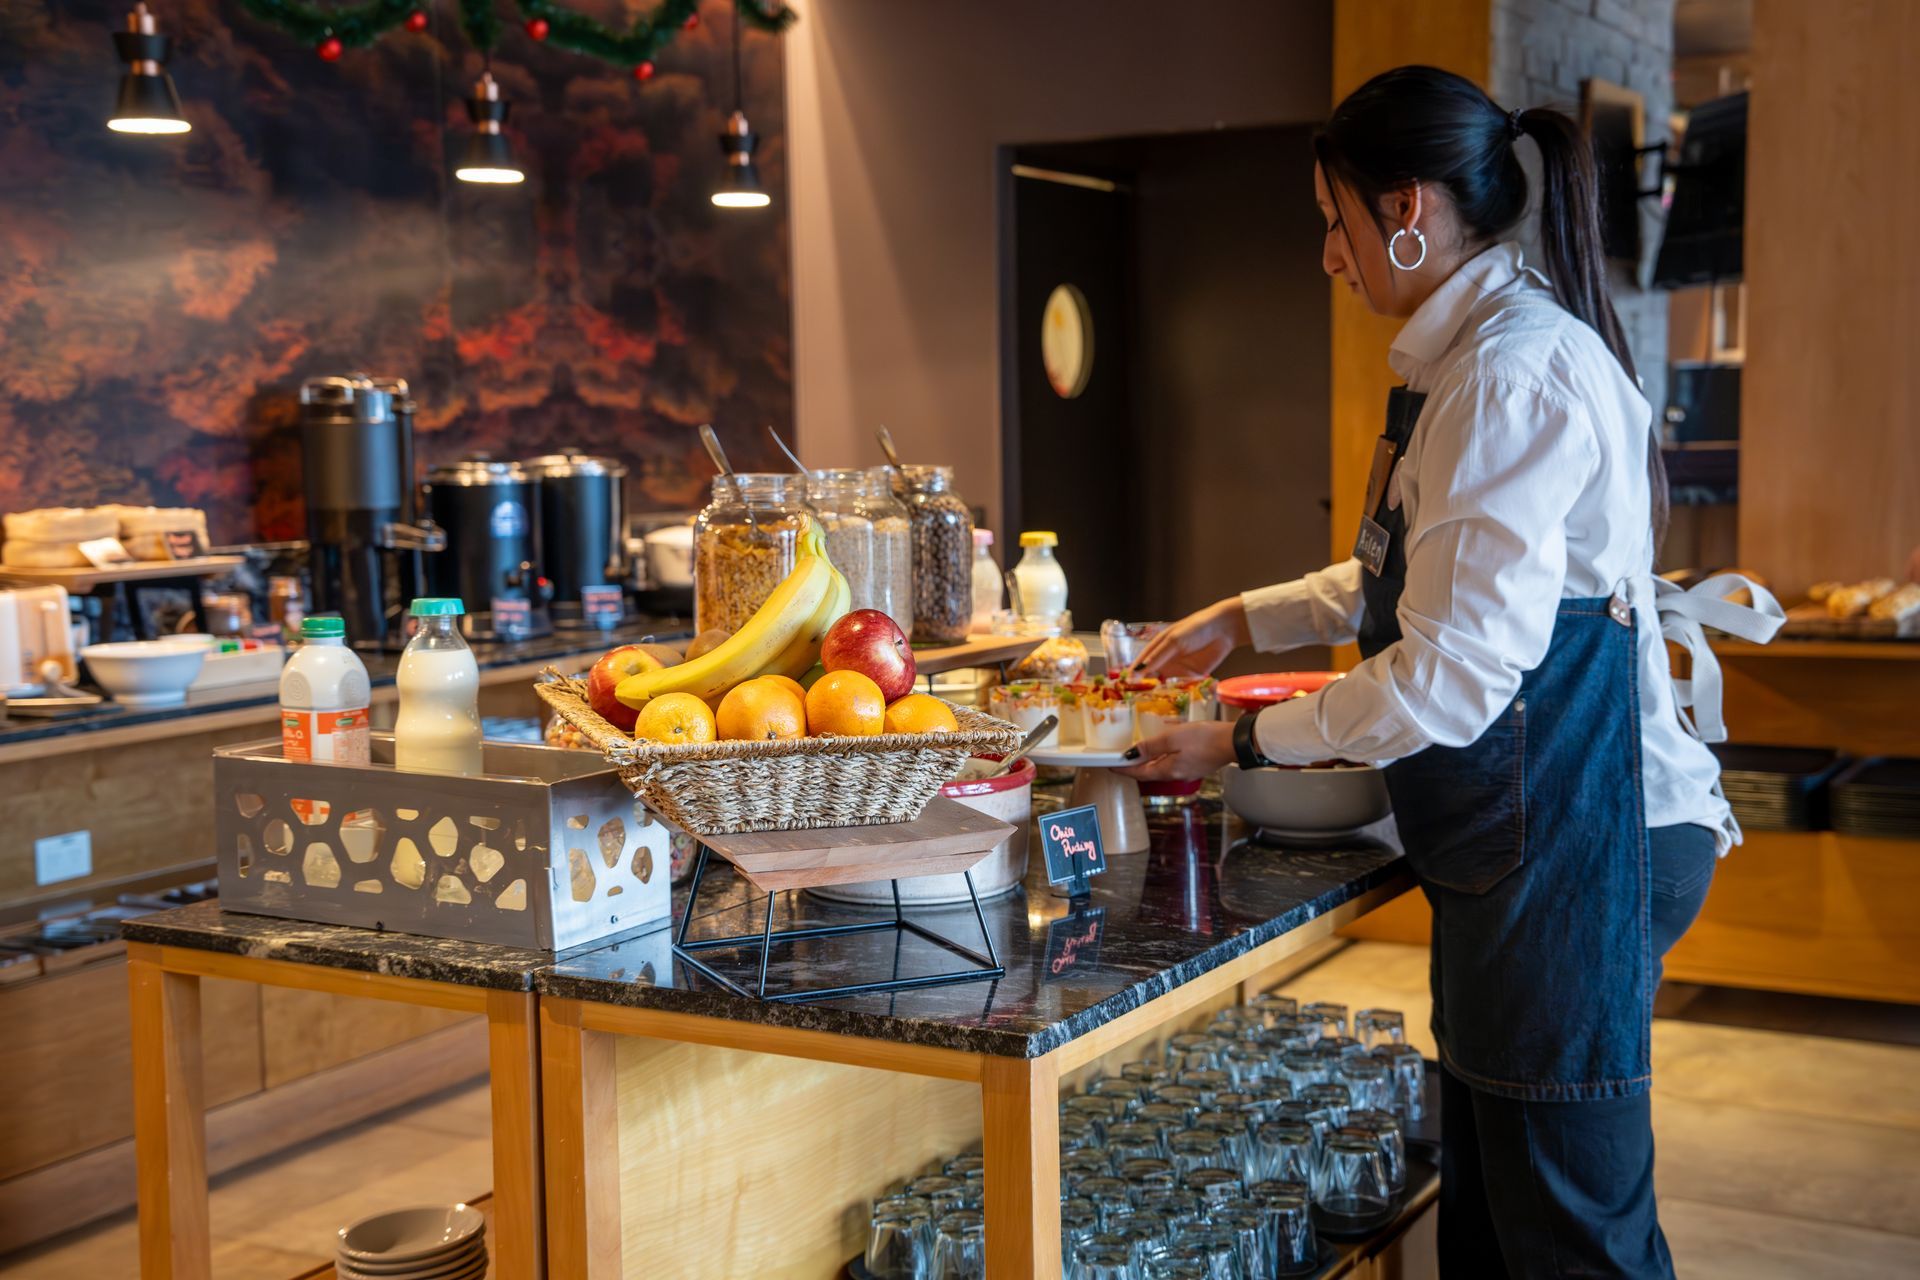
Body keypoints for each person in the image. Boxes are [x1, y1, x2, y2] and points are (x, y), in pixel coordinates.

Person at [1120, 66, 1776, 1279]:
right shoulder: (1469, 357)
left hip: (1580, 845)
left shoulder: (1508, 376)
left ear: (1407, 206)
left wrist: (1242, 743)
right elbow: (1418, 578)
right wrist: (1240, 618)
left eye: (1338, 220)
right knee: (1488, 1223)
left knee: (1574, 1243)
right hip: (1526, 841)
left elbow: (1447, 679)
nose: (1331, 254)